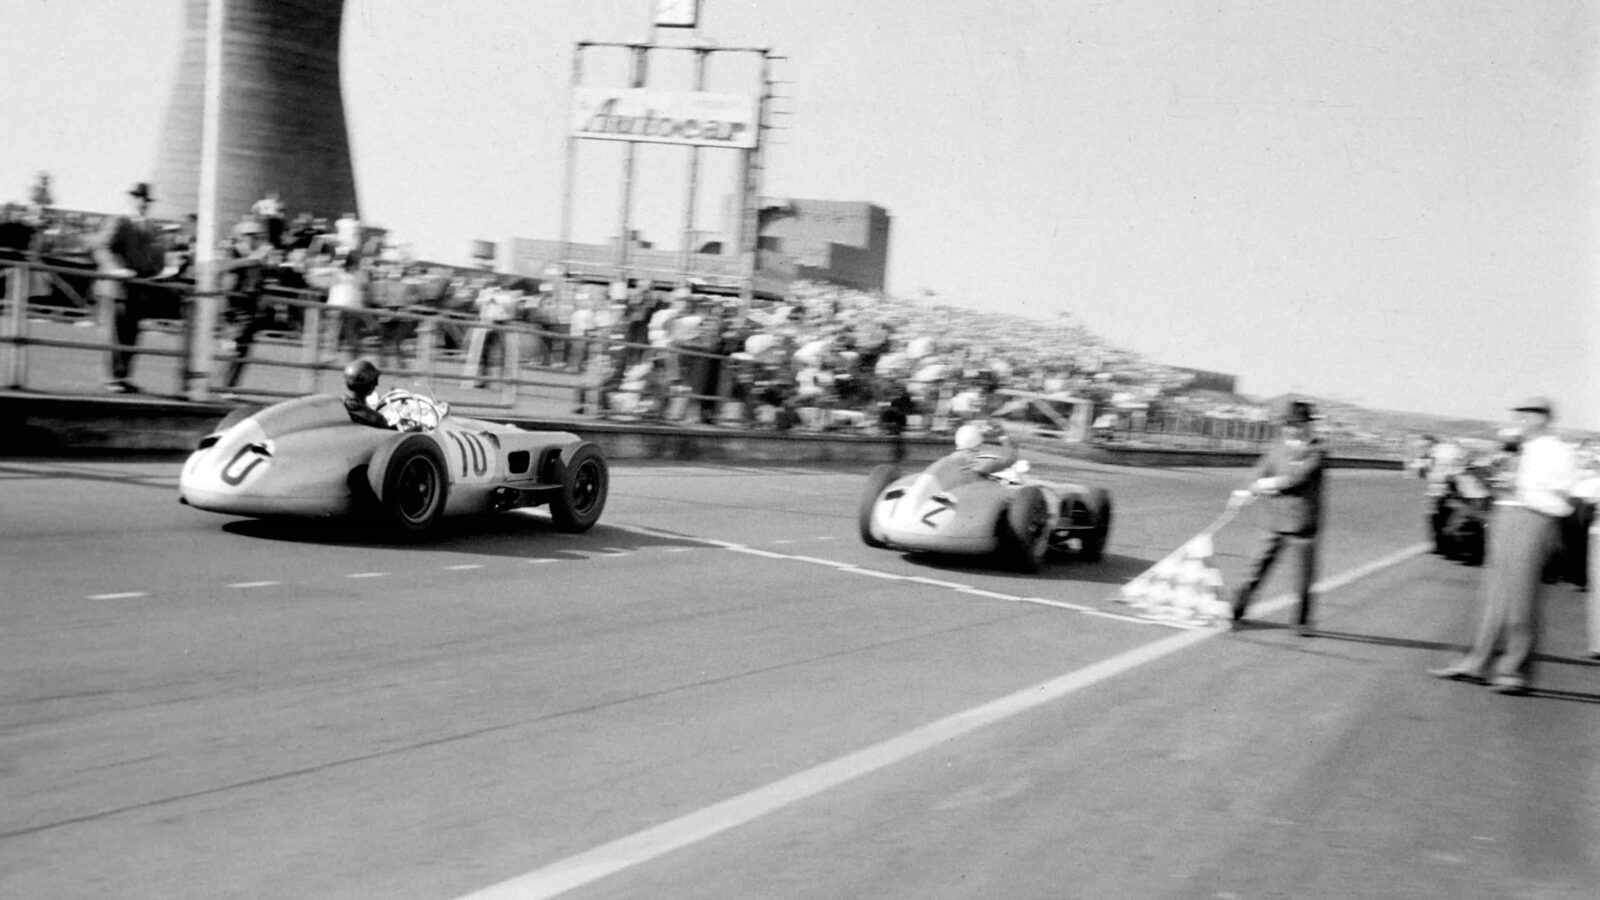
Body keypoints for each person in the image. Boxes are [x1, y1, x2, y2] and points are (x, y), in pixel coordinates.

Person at [1430, 397, 1579, 694]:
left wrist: (1525, 488)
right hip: (1505, 513)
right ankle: (1476, 663)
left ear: (1542, 418)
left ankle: (1513, 671)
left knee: (1521, 596)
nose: (1519, 422)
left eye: (1526, 416)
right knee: (1494, 595)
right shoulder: (1516, 448)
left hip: (1534, 516)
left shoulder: (1557, 450)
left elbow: (1567, 489)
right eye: (1518, 416)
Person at [1229, 398, 1326, 636]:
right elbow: (1261, 469)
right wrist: (1245, 489)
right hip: (1275, 521)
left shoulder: (1317, 450)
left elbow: (1298, 477)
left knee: (1303, 577)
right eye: (1289, 425)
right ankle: (1236, 611)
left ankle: (1302, 622)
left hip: (1302, 524)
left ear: (1308, 425)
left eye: (1298, 424)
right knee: (1256, 568)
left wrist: (1267, 484)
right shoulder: (1279, 447)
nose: (1293, 429)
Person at [91, 182, 168, 393]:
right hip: (116, 287)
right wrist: (115, 269)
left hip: (137, 288)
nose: (143, 203)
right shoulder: (120, 221)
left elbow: (152, 255)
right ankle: (112, 378)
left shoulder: (149, 226)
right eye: (140, 199)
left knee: (131, 334)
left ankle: (122, 376)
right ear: (132, 199)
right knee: (115, 333)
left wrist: (159, 269)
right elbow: (101, 247)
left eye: (146, 200)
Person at [925, 419, 1020, 491]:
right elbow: (1011, 457)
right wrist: (1003, 436)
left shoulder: (948, 460)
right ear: (979, 444)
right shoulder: (979, 463)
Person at [341, 358, 388, 428]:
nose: (376, 385)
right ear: (366, 383)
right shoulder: (375, 418)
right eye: (374, 380)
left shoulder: (341, 406)